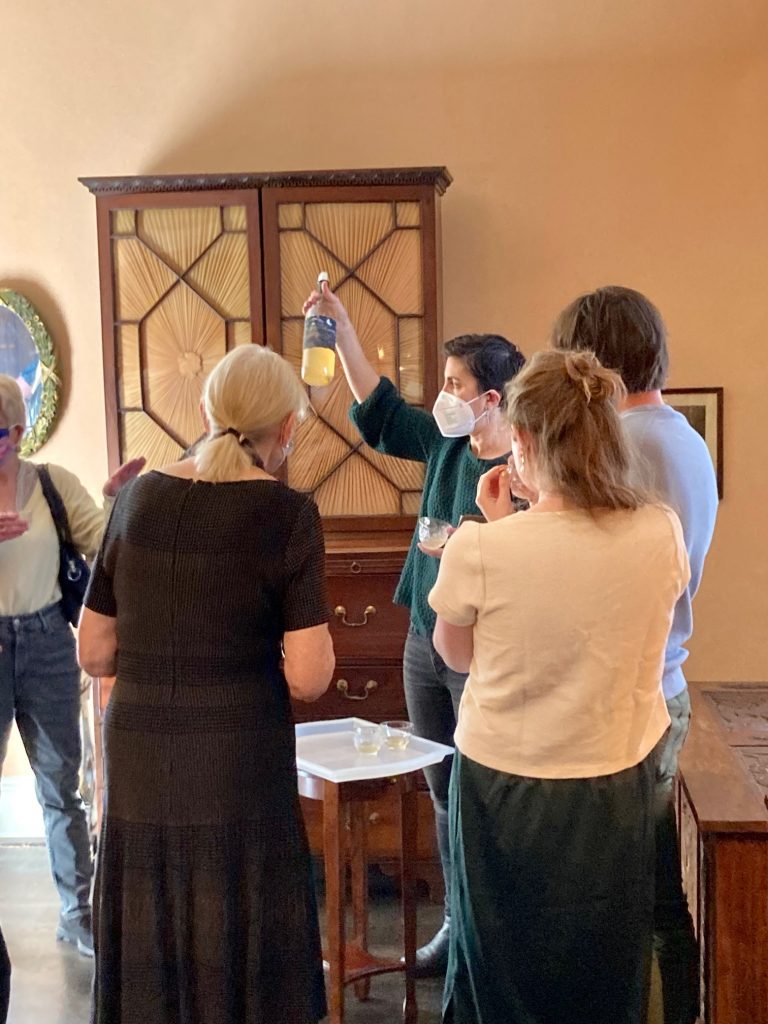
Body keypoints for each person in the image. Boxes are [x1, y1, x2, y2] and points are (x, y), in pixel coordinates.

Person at [428, 349, 690, 1024]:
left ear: (525, 441)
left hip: (506, 783)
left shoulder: (483, 550)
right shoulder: (660, 532)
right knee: (604, 962)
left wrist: (499, 530)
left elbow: (455, 655)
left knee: (505, 965)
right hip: (616, 776)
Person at [78, 344, 335, 1024]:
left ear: (204, 411)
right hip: (236, 750)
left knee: (153, 907)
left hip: (139, 751)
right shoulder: (286, 516)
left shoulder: (134, 499)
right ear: (286, 428)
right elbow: (310, 676)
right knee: (239, 905)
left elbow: (95, 650)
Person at [304, 281, 525, 976]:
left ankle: (486, 935)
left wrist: (470, 538)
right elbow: (378, 412)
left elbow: (527, 560)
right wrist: (338, 329)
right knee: (438, 785)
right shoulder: (444, 443)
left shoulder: (522, 466)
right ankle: (455, 928)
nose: (444, 395)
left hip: (481, 653)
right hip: (423, 641)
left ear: (493, 399)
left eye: (457, 385)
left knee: (478, 793)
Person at [552, 286, 718, 1024]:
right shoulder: (679, 434)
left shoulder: (629, 441)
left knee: (636, 906)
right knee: (658, 899)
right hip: (662, 681)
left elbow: (587, 572)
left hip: (628, 699)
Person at [0, 374, 143, 958]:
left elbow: (104, 545)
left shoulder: (50, 486)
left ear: (14, 432)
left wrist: (116, 501)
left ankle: (78, 913)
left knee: (62, 786)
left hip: (47, 645)